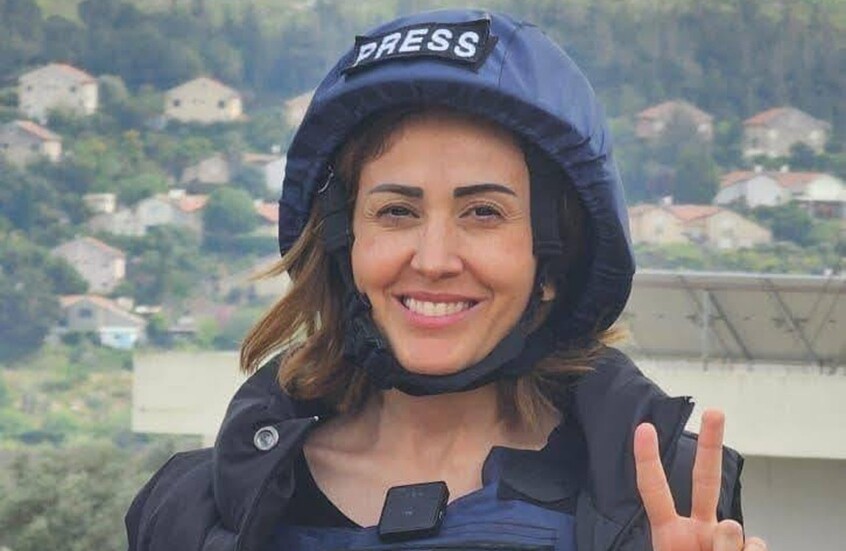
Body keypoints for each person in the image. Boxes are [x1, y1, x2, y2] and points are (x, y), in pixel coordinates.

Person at [126, 9, 768, 551]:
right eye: (396, 212)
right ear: (343, 244)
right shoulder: (199, 512)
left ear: (554, 260)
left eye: (483, 212)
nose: (433, 259)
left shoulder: (658, 501)